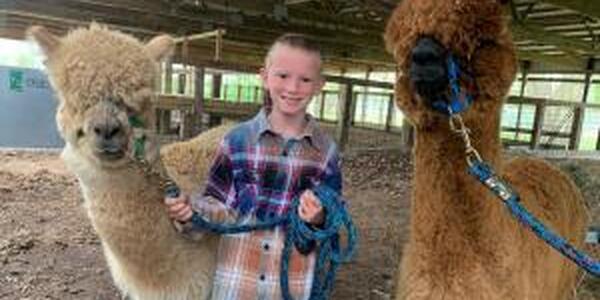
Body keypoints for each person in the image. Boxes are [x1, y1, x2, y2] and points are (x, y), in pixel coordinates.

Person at [165, 33, 343, 300]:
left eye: (305, 79)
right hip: (238, 284)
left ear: (319, 85)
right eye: (283, 76)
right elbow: (219, 206)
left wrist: (318, 218)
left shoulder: (326, 152)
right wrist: (192, 211)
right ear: (265, 76)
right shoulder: (237, 141)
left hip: (291, 287)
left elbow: (333, 217)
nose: (293, 88)